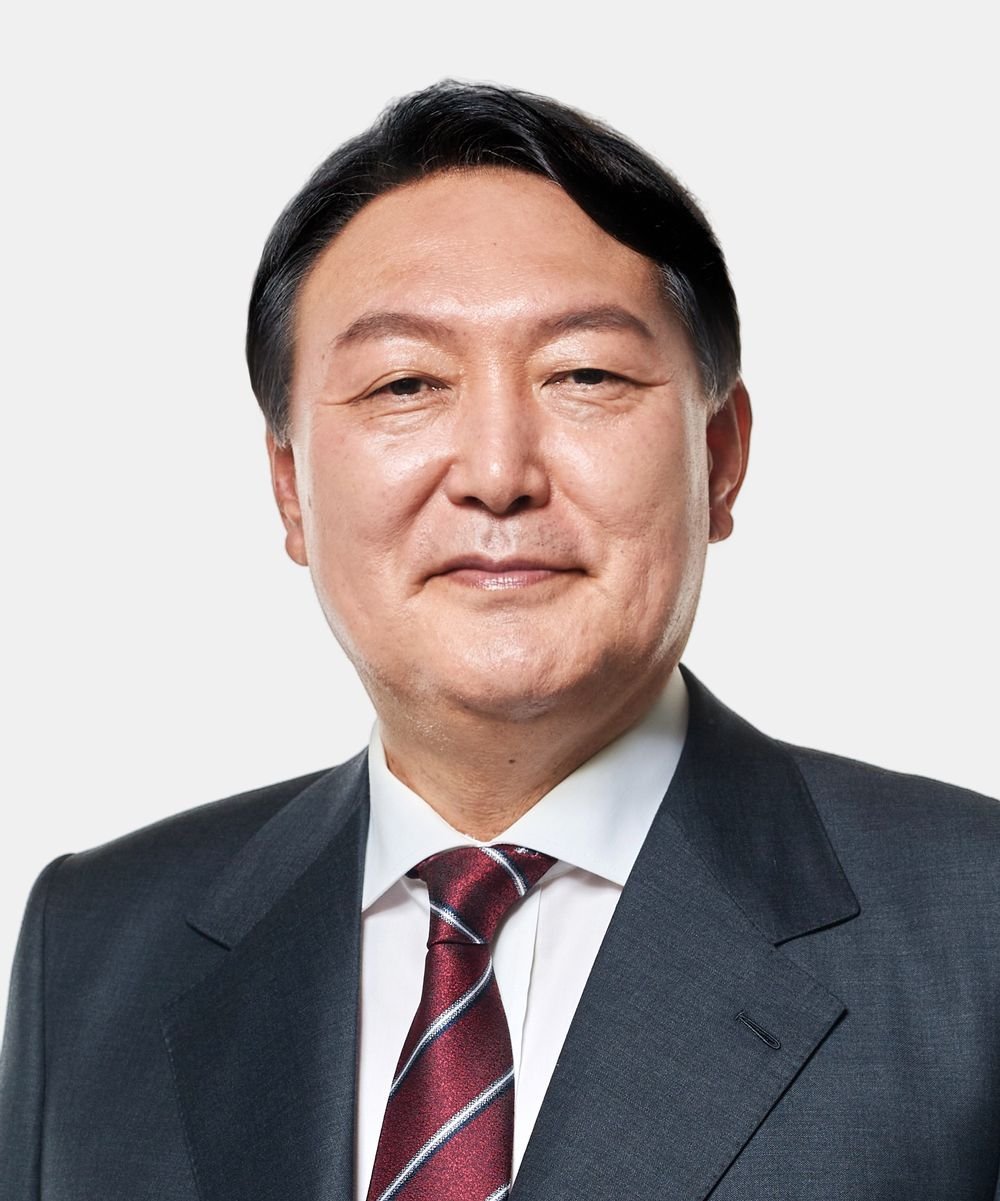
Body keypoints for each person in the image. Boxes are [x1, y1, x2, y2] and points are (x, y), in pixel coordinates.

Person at [1, 80, 998, 1201]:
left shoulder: (976, 930)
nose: (495, 473)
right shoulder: (94, 945)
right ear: (289, 488)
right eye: (405, 383)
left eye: (584, 375)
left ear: (720, 455)